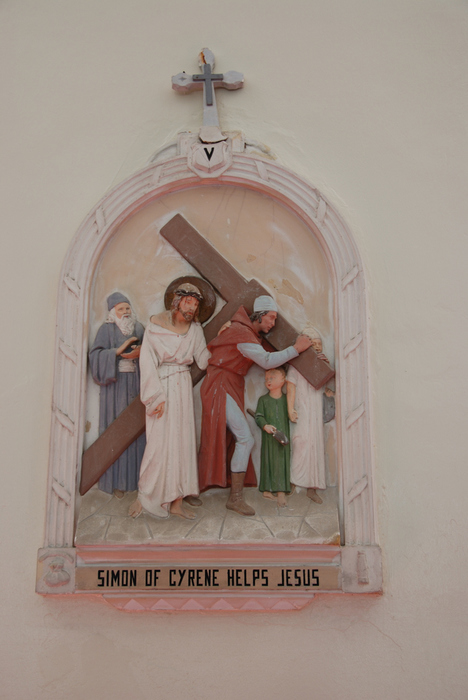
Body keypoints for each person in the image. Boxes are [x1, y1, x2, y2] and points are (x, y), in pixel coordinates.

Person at [199, 295, 312, 517]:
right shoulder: (241, 333)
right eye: (271, 318)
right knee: (245, 438)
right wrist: (296, 348)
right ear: (259, 316)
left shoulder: (246, 334)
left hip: (228, 384)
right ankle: (235, 499)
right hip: (219, 386)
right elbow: (267, 361)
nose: (273, 323)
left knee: (239, 439)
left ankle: (235, 497)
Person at [129, 281, 211, 520]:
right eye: (188, 302)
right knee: (158, 444)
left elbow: (203, 360)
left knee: (182, 444)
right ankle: (145, 495)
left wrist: (224, 339)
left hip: (183, 387)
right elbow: (147, 361)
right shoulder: (155, 326)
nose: (192, 308)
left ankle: (177, 502)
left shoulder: (195, 330)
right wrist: (155, 397)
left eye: (195, 305)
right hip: (162, 387)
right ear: (177, 301)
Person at [89, 292, 145, 497]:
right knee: (115, 431)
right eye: (121, 309)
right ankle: (116, 482)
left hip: (136, 384)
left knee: (136, 431)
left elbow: (150, 352)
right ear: (113, 312)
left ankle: (137, 480)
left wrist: (141, 351)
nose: (125, 312)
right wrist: (117, 351)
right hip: (115, 387)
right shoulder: (106, 330)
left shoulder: (139, 328)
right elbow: (95, 355)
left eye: (127, 308)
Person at [286, 325, 334, 504]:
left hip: (315, 410)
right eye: (313, 345)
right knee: (299, 442)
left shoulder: (319, 364)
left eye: (319, 345)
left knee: (315, 446)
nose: (317, 348)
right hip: (302, 409)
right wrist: (290, 408)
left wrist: (325, 366)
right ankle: (293, 481)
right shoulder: (297, 366)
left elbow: (329, 384)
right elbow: (290, 387)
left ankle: (312, 488)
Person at [254, 366, 291, 507]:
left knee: (281, 462)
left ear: (283, 380)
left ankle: (281, 491)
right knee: (267, 461)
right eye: (266, 379)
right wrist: (265, 426)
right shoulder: (263, 400)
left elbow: (291, 414)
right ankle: (267, 489)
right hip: (269, 439)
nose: (268, 381)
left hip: (282, 438)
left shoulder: (286, 400)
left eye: (272, 378)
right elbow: (258, 416)